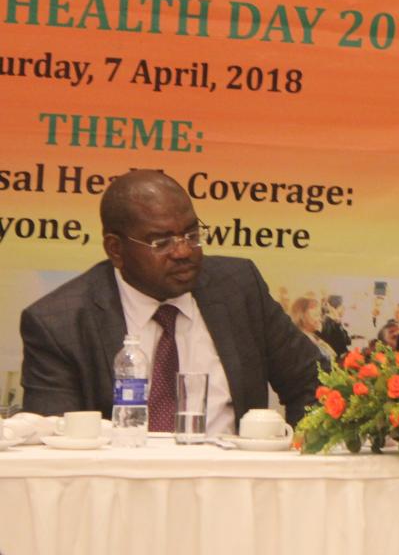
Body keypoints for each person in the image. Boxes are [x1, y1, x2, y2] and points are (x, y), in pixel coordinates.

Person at [19, 170, 321, 433]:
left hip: (233, 487)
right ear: (115, 249)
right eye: (160, 242)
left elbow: (314, 383)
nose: (183, 251)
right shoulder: (59, 324)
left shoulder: (238, 287)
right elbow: (52, 436)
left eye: (191, 234)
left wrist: (298, 450)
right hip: (119, 490)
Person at [291, 296, 337, 367]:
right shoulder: (301, 342)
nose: (320, 320)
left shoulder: (313, 337)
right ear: (302, 316)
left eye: (319, 316)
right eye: (316, 316)